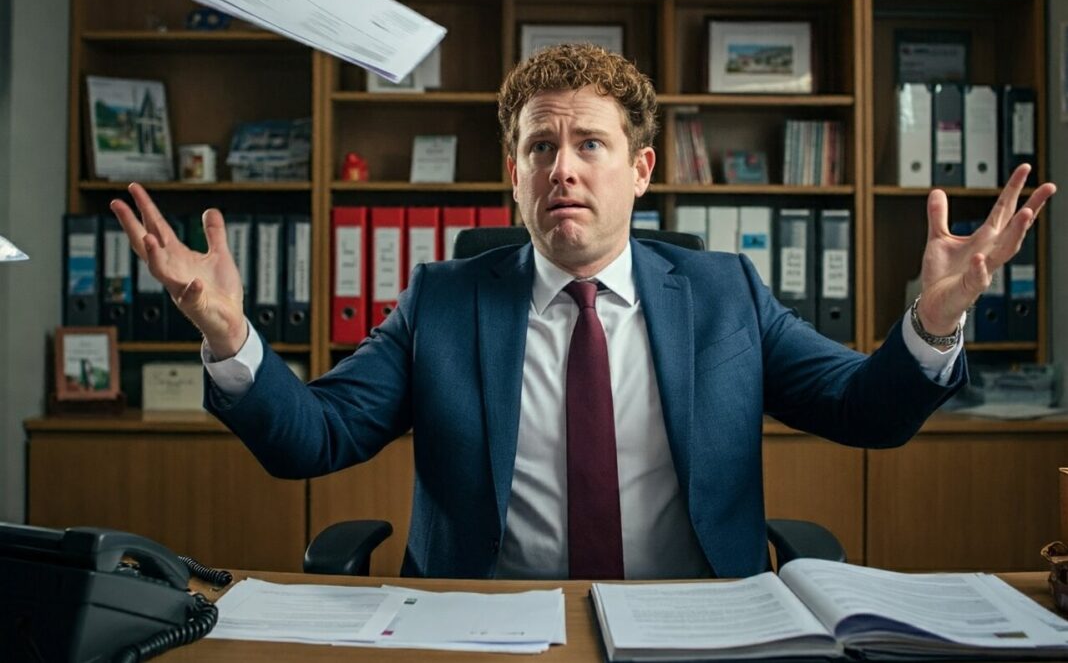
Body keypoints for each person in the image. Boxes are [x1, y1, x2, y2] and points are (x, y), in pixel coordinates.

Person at [110, 43, 1056, 580]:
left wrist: (932, 323)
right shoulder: (443, 301)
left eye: (590, 144)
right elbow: (310, 437)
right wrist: (230, 334)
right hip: (487, 626)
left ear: (641, 170)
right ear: (513, 174)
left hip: (699, 624)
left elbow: (866, 409)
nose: (563, 166)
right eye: (540, 146)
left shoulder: (726, 296)